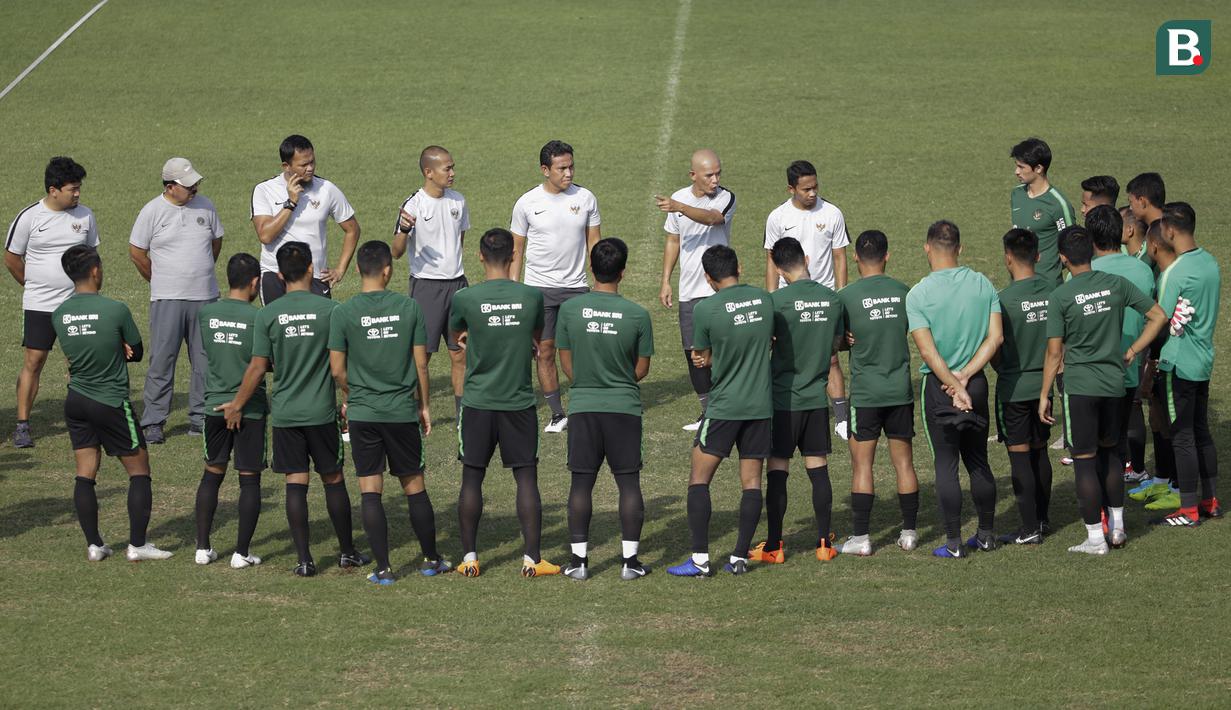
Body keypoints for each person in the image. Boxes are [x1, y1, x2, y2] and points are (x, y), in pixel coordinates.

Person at [217, 242, 369, 577]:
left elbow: (257, 368)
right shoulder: (331, 311)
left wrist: (237, 405)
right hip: (320, 413)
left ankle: (304, 560)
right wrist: (351, 396)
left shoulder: (268, 314)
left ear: (280, 275)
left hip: (286, 414)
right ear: (312, 269)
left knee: (295, 483)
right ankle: (347, 552)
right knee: (333, 479)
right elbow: (338, 366)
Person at [329, 241, 450, 585]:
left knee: (370, 490)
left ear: (357, 270)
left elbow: (337, 370)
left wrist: (353, 395)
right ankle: (431, 559)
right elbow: (421, 363)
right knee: (414, 485)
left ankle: (383, 568)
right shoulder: (409, 308)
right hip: (400, 412)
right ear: (388, 270)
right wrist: (424, 405)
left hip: (364, 413)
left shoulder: (343, 312)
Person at [1039, 226, 1165, 554]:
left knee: (1084, 460)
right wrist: (1133, 350)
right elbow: (1158, 315)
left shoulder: (1061, 295)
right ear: (1093, 252)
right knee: (1112, 454)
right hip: (1113, 385)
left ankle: (1096, 538)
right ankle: (1119, 527)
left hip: (1081, 388)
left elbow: (1054, 352)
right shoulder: (1115, 284)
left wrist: (1043, 395)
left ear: (1063, 258)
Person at [449, 228, 558, 578]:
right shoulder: (531, 296)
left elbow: (458, 336)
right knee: (526, 478)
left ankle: (469, 557)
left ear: (480, 256)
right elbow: (539, 341)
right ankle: (532, 558)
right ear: (513, 256)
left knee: (472, 478)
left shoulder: (465, 298)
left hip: (478, 402)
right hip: (518, 403)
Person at [53, 245, 172, 562]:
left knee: (85, 473)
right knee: (139, 472)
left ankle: (95, 545)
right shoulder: (115, 309)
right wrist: (117, 344)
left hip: (76, 401)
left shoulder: (59, 313)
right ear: (95, 271)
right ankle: (137, 545)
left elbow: (76, 353)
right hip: (110, 401)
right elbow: (138, 351)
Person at [667, 245, 773, 577]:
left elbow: (702, 354)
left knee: (699, 478)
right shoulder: (764, 300)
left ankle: (699, 560)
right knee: (752, 482)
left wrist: (707, 358)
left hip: (725, 406)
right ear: (739, 266)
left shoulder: (706, 309)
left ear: (708, 278)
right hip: (760, 405)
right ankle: (739, 557)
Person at [556, 238, 654, 580]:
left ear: (591, 269)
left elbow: (564, 360)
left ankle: (579, 562)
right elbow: (641, 370)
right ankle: (630, 563)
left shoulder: (569, 310)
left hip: (583, 406)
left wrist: (585, 380)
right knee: (628, 483)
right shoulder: (638, 315)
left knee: (581, 484)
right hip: (624, 408)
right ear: (622, 273)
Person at [906, 220, 1003, 558]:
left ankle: (953, 543)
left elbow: (928, 352)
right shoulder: (983, 284)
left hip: (938, 387)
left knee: (946, 464)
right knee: (978, 460)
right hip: (974, 384)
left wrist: (950, 382)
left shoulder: (918, 294)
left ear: (927, 248)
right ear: (960, 248)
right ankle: (987, 534)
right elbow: (995, 338)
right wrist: (966, 378)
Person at [749, 237, 844, 564]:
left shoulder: (775, 302)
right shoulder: (832, 299)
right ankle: (823, 544)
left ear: (777, 267)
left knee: (778, 471)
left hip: (782, 401)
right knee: (818, 469)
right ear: (806, 257)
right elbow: (836, 345)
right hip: (816, 399)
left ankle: (774, 546)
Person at [835, 230, 921, 555]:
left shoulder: (846, 296)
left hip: (866, 395)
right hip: (900, 391)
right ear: (887, 256)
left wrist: (846, 340)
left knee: (862, 467)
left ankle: (861, 539)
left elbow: (836, 342)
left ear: (855, 257)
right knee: (904, 464)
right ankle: (910, 533)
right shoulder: (904, 292)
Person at [5, 157, 98, 449]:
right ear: (53, 189)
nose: (78, 193)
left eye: (79, 188)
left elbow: (93, 258)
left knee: (79, 363)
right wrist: (33, 285)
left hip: (76, 304)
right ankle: (22, 424)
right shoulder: (29, 217)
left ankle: (82, 419)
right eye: (73, 188)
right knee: (34, 361)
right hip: (39, 305)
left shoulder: (85, 216)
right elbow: (12, 259)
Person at [510, 140, 601, 433]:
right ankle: (557, 413)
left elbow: (595, 246)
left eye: (571, 166)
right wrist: (514, 290)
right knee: (545, 351)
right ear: (545, 170)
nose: (569, 173)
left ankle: (587, 405)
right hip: (539, 290)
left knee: (582, 352)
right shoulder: (527, 203)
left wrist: (601, 285)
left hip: (577, 289)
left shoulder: (586, 198)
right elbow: (517, 251)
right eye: (562, 168)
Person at [129, 157, 223, 443]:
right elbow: (137, 251)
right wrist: (159, 280)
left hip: (205, 297)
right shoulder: (152, 211)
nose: (194, 189)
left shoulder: (206, 206)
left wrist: (201, 271)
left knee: (204, 361)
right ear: (170, 186)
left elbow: (215, 242)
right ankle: (154, 421)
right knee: (162, 360)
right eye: (188, 186)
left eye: (195, 184)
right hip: (167, 299)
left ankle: (201, 417)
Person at [763, 160, 851, 439]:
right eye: (805, 189)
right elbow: (770, 260)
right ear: (791, 189)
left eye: (815, 187)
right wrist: (771, 297)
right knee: (785, 353)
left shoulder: (833, 213)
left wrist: (840, 294)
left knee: (831, 358)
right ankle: (786, 407)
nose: (812, 193)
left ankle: (840, 417)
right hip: (787, 298)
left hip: (822, 295)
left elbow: (840, 257)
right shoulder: (777, 217)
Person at [1150, 202, 1221, 526]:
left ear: (1170, 230)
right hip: (1203, 359)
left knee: (1182, 435)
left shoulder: (1175, 272)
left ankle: (1189, 509)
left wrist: (1135, 347)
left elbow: (1159, 317)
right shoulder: (1210, 263)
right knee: (1202, 432)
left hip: (1177, 363)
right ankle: (1211, 500)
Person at [195, 253, 267, 568]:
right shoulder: (258, 318)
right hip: (248, 408)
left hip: (213, 405)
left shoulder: (206, 314)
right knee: (249, 480)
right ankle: (241, 553)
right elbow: (263, 364)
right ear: (255, 283)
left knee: (212, 474)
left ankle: (202, 548)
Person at [657, 149, 734, 431]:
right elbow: (672, 241)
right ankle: (707, 411)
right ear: (693, 175)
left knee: (723, 351)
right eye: (709, 175)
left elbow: (713, 218)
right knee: (694, 352)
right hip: (689, 289)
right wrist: (666, 280)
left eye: (718, 173)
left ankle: (726, 407)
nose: (715, 180)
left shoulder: (725, 197)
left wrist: (680, 207)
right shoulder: (681, 199)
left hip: (720, 289)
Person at [392, 145, 470, 419]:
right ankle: (417, 411)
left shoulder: (458, 201)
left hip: (458, 286)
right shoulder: (412, 205)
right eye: (447, 168)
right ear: (429, 172)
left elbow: (459, 242)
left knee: (460, 353)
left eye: (452, 167)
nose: (452, 173)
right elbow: (397, 252)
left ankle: (462, 415)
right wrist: (404, 229)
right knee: (420, 357)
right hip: (426, 287)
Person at [993, 229, 1055, 545]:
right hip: (1045, 386)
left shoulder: (1002, 301)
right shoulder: (1053, 292)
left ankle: (1028, 528)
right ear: (1039, 256)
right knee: (1040, 451)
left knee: (1019, 458)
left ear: (1007, 258)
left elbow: (996, 348)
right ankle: (1042, 521)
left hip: (1014, 388)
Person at [1087, 206, 1155, 487]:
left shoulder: (1084, 272)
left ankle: (1101, 511)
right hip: (1129, 367)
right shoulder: (1143, 270)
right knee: (1119, 439)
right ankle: (1121, 500)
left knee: (1095, 446)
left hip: (1093, 375)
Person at [251, 134, 361, 304]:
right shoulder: (264, 190)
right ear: (286, 166)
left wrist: (340, 270)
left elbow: (352, 229)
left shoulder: (327, 189)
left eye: (312, 162)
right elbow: (265, 235)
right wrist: (290, 203)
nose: (310, 168)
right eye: (303, 164)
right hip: (275, 275)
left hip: (315, 276)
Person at [1128, 222, 1180, 506]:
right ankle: (1162, 480)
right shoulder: (1162, 276)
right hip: (1160, 358)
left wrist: (1150, 361)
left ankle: (1177, 488)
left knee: (1171, 425)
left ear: (1155, 246)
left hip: (1167, 360)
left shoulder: (1169, 278)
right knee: (1158, 420)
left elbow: (1163, 324)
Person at [1010, 137, 1076, 287]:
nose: (1016, 172)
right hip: (1017, 281)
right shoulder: (1016, 194)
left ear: (1038, 168)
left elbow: (1072, 246)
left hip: (1047, 285)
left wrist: (1050, 267)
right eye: (1016, 166)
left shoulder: (1058, 205)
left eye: (1021, 167)